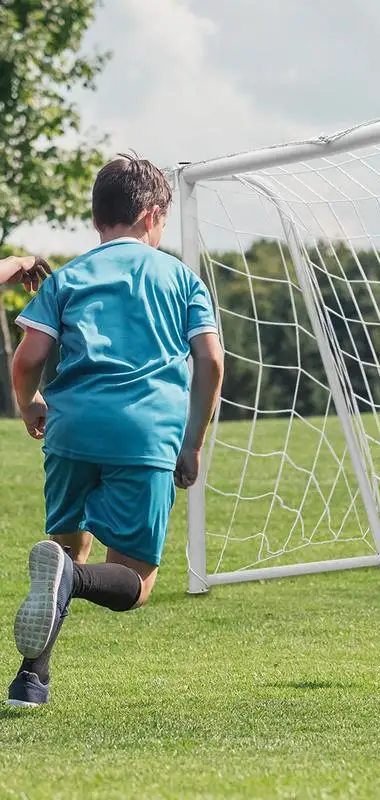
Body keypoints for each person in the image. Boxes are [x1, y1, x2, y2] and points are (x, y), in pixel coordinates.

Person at [7, 154, 224, 707]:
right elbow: (211, 362)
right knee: (135, 584)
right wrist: (193, 441)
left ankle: (32, 681)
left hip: (70, 428)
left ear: (98, 218)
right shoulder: (180, 278)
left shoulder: (69, 277)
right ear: (152, 215)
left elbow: (27, 359)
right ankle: (72, 584)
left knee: (64, 549)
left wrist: (29, 404)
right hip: (144, 434)